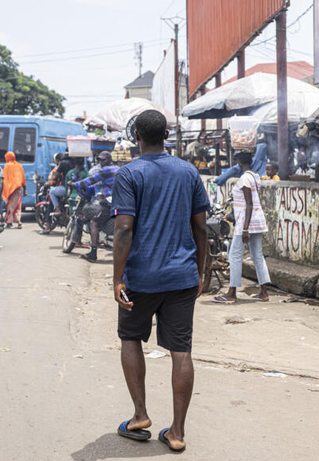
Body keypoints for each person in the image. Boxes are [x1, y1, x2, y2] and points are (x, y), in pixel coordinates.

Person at [111, 109, 209, 453]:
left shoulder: (128, 174)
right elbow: (201, 228)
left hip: (141, 276)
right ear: (166, 135)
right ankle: (177, 432)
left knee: (130, 338)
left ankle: (140, 416)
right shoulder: (188, 172)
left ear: (137, 136)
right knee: (181, 351)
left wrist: (117, 278)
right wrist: (201, 271)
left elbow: (123, 229)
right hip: (182, 276)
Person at [213, 151, 270, 304]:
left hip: (247, 223)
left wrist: (245, 229)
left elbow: (248, 204)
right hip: (257, 221)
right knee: (257, 256)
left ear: (239, 162)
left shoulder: (245, 178)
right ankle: (264, 292)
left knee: (234, 256)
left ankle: (232, 292)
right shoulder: (254, 176)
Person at [73, 151, 119, 262]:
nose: (100, 162)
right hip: (120, 201)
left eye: (103, 160)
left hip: (110, 202)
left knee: (94, 223)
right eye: (99, 159)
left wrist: (76, 184)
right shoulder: (118, 168)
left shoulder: (105, 170)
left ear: (109, 160)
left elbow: (90, 181)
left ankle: (93, 253)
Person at [2, 152, 26, 229]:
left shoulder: (7, 165)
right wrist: (25, 189)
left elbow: (5, 178)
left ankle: (10, 222)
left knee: (10, 205)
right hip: (18, 188)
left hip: (9, 189)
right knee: (17, 205)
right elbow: (23, 178)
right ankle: (18, 221)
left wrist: (4, 189)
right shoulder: (19, 165)